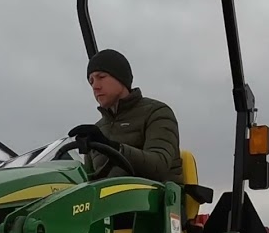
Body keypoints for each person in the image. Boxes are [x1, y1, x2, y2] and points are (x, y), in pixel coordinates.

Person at [67, 49, 184, 186]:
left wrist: (112, 147)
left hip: (154, 202)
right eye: (91, 81)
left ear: (120, 77)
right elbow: (88, 181)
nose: (95, 86)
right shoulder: (98, 130)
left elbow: (158, 166)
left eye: (101, 77)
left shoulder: (157, 112)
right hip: (108, 203)